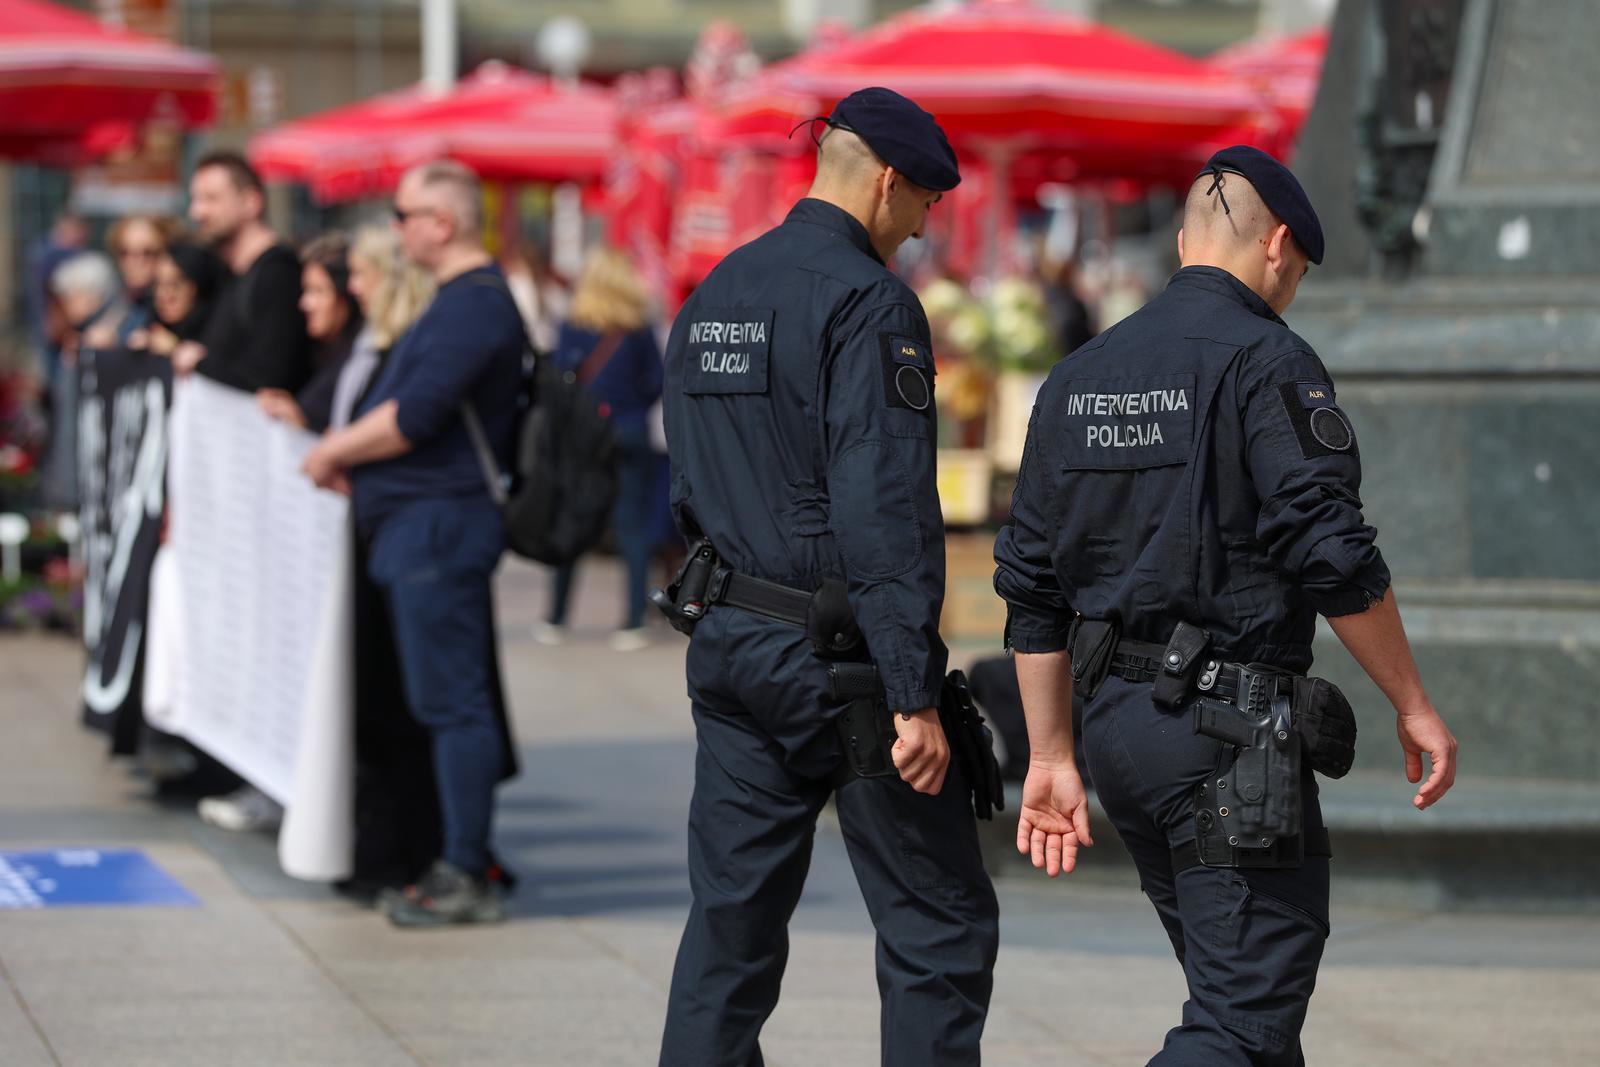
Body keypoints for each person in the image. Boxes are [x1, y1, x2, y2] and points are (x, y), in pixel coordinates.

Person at [994, 145, 1460, 1065]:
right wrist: (1412, 700)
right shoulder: (1266, 360)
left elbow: (1030, 588)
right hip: (1225, 737)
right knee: (1243, 1016)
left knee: (1241, 1002)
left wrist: (1052, 753)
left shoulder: (1078, 374)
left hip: (1118, 731)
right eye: (1299, 275)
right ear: (1279, 245)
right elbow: (1330, 549)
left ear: (1181, 239)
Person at [657, 87, 998, 1066]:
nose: (919, 230)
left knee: (729, 927)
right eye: (922, 207)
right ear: (887, 181)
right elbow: (882, 505)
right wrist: (912, 689)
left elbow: (690, 484)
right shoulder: (869, 299)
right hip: (841, 663)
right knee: (937, 924)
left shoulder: (717, 287)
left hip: (731, 645)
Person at [300, 160, 522, 927]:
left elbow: (412, 414)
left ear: (444, 221)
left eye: (405, 214)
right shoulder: (458, 302)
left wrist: (333, 453)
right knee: (441, 700)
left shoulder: (473, 306)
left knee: (452, 702)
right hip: (422, 525)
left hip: (438, 526)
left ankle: (466, 865)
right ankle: (457, 856)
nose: (397, 228)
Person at [536, 246, 663, 651]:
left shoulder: (574, 324)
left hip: (583, 436)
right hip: (628, 431)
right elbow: (656, 381)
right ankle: (632, 621)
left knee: (573, 520)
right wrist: (630, 409)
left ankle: (556, 616)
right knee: (632, 528)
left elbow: (559, 382)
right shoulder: (637, 327)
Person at [178, 151, 310, 391]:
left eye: (211, 199)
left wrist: (201, 364)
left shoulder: (277, 274)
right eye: (195, 200)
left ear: (251, 202)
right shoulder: (228, 273)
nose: (197, 213)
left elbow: (271, 377)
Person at [256, 233, 364, 433]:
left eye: (318, 291)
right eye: (305, 291)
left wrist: (303, 426)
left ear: (346, 296)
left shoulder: (362, 362)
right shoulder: (314, 355)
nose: (305, 304)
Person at [105, 215, 181, 345]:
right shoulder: (118, 302)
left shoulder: (176, 304)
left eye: (148, 253)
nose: (135, 262)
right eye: (125, 253)